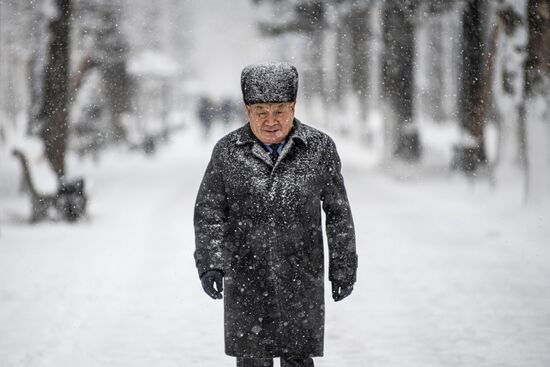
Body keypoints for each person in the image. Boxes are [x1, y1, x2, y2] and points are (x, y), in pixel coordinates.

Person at [194, 62, 358, 367]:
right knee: (253, 359)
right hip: (247, 279)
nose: (271, 121)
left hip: (300, 276)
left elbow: (338, 212)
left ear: (293, 107)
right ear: (247, 111)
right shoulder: (227, 152)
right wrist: (210, 263)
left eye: (279, 111)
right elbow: (209, 212)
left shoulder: (319, 149)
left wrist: (344, 265)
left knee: (298, 358)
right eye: (261, 112)